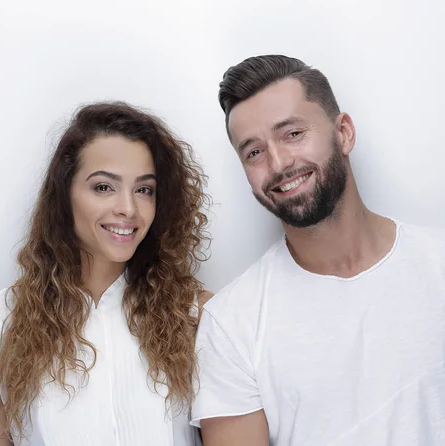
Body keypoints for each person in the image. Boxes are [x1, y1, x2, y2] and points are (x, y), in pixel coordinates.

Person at [191, 55, 445, 446]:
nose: (278, 163)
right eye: (254, 152)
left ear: (343, 132)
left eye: (292, 133)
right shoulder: (231, 324)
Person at [0, 101, 213, 446]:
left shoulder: (200, 315)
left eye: (144, 189)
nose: (128, 208)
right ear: (64, 194)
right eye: (104, 187)